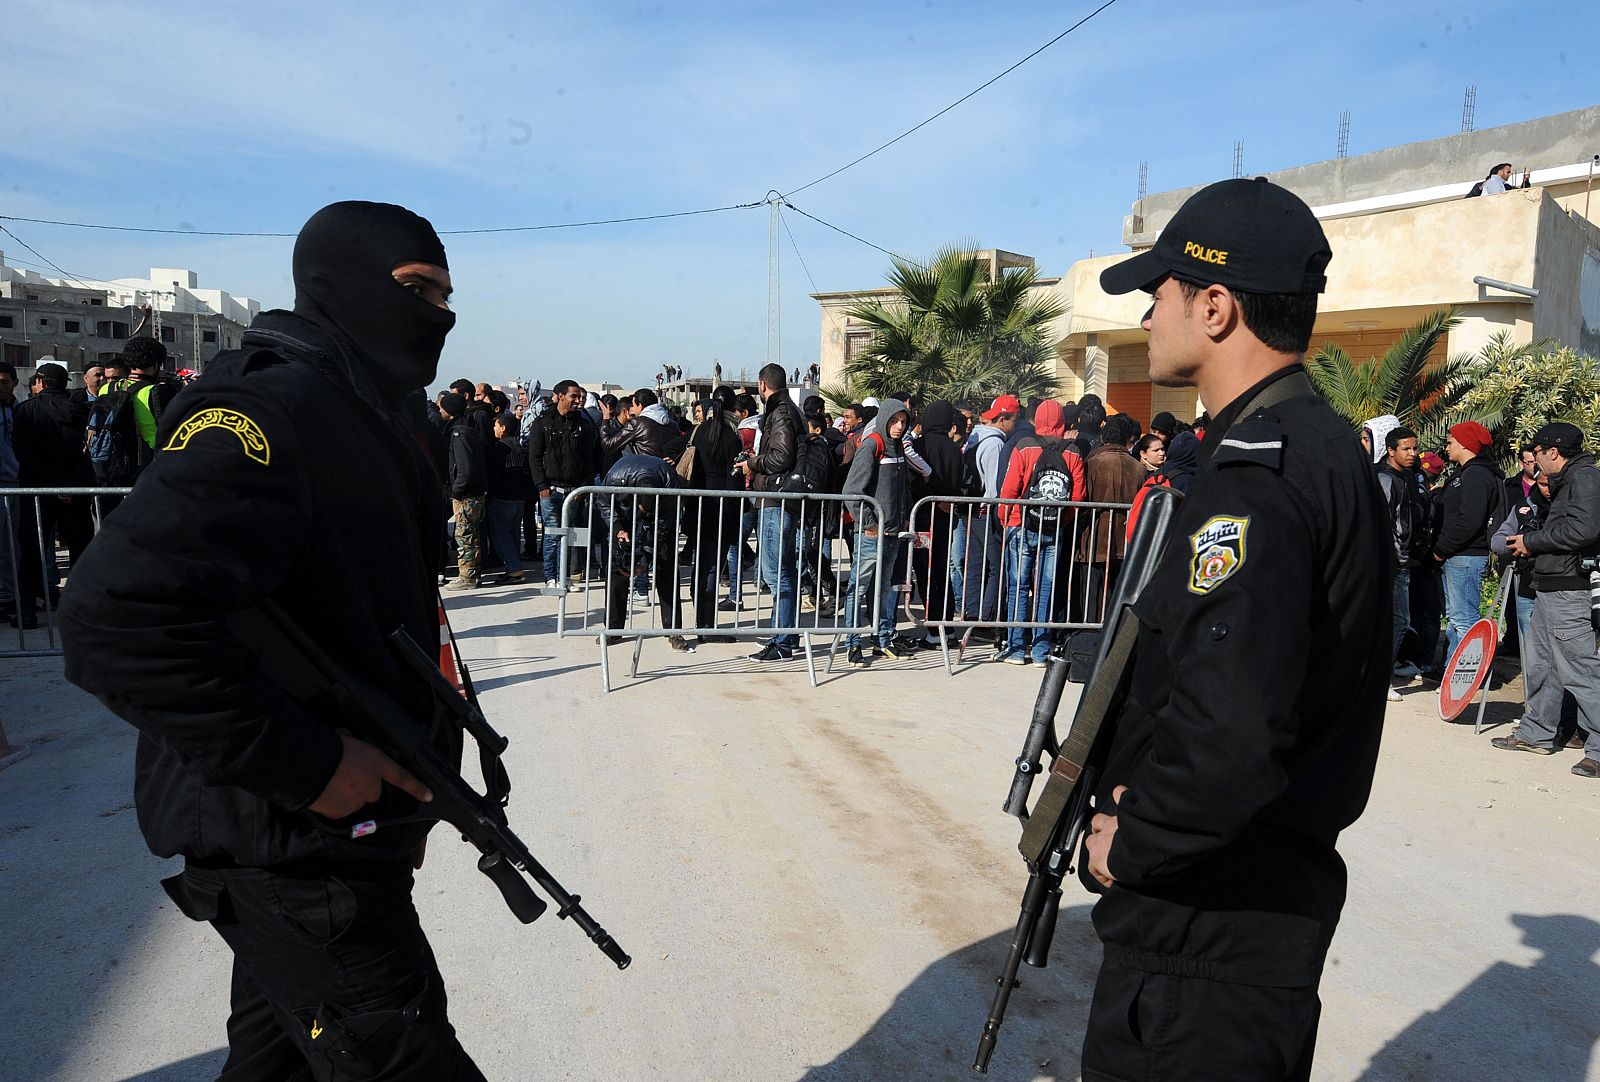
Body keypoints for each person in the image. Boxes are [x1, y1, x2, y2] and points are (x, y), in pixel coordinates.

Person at [58, 200, 487, 1080]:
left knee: (277, 1064)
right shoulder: (269, 412)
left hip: (332, 841)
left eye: (445, 293)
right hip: (286, 840)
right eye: (416, 288)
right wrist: (315, 768)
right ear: (341, 283)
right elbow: (114, 616)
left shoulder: (364, 411)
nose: (438, 313)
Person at [1083, 177, 1389, 1081]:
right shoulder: (1319, 450)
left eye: (1159, 292)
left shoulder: (1256, 481)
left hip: (1207, 939)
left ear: (1215, 306)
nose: (1146, 316)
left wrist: (1130, 845)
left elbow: (1228, 732)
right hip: (1253, 912)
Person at [1495, 422, 1600, 778]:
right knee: (1543, 667)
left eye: (1537, 454)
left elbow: (1584, 530)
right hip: (1551, 586)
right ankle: (1536, 733)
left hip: (1570, 590)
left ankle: (1598, 750)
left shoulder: (1584, 478)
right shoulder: (1569, 480)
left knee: (1580, 671)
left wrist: (1533, 542)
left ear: (1552, 452)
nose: (1535, 462)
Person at [996, 400, 1082, 665]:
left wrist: (1005, 518)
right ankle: (1041, 651)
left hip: (1021, 523)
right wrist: (1062, 521)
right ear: (1062, 421)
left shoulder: (1024, 446)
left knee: (1018, 587)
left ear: (1036, 419)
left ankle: (1016, 648)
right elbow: (1078, 497)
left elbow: (1010, 489)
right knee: (1046, 588)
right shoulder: (1073, 452)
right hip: (1054, 528)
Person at [12, 361, 93, 628]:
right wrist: (68, 486)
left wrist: (52, 485)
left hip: (38, 490)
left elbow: (22, 453)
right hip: (74, 490)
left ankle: (26, 611)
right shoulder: (81, 410)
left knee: (33, 550)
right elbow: (87, 453)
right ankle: (82, 610)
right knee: (79, 550)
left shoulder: (25, 411)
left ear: (41, 382)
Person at [840, 399, 912, 667]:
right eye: (894, 421)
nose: (899, 426)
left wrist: (903, 520)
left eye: (903, 422)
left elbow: (901, 488)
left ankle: (882, 640)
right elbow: (851, 491)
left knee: (884, 589)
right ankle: (852, 643)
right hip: (871, 534)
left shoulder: (899, 447)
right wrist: (868, 523)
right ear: (884, 420)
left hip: (893, 533)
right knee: (858, 589)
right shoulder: (872, 445)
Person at [740, 363, 804, 662]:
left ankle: (783, 642)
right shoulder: (789, 410)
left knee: (777, 573)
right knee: (784, 571)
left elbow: (780, 457)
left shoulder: (780, 412)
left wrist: (752, 463)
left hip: (776, 500)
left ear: (762, 385)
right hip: (781, 500)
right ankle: (786, 634)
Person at [599, 452, 689, 650]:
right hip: (623, 517)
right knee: (618, 568)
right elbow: (604, 503)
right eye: (643, 511)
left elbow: (666, 524)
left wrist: (646, 556)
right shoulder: (615, 478)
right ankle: (613, 629)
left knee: (666, 571)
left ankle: (674, 630)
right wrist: (618, 529)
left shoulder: (669, 484)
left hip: (663, 519)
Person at [1432, 420, 1502, 671]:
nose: (1446, 447)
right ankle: (1451, 668)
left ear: (1464, 444)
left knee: (1464, 618)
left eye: (1450, 442)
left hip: (1464, 555)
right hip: (1459, 555)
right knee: (1456, 617)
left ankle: (1465, 672)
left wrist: (1442, 548)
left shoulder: (1476, 475)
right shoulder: (1469, 473)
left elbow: (1470, 519)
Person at [683, 384, 744, 636]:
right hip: (722, 508)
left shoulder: (698, 432)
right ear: (732, 408)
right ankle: (706, 624)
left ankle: (701, 615)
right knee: (712, 566)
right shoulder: (732, 436)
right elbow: (735, 478)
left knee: (702, 562)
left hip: (698, 505)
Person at [527, 378, 599, 590]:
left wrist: (583, 487)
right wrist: (542, 486)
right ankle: (551, 578)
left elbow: (589, 459)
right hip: (550, 489)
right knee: (552, 535)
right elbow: (534, 456)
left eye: (580, 397)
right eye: (573, 396)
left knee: (569, 536)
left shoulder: (584, 424)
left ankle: (564, 576)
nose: (578, 400)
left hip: (574, 490)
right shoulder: (543, 422)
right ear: (560, 396)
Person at [1376, 426, 1426, 701]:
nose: (1412, 453)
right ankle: (1380, 679)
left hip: (1402, 559)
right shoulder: (1386, 479)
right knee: (1398, 621)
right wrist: (1399, 558)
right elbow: (1387, 524)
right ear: (1391, 450)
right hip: (1393, 562)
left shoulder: (1405, 477)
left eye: (1415, 448)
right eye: (1406, 449)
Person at [438, 391, 488, 591]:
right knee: (471, 536)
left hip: (467, 495)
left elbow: (465, 468)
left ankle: (467, 576)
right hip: (473, 493)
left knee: (465, 536)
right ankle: (472, 574)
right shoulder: (467, 429)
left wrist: (456, 491)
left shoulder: (460, 433)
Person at [485, 411, 531, 585]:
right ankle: (514, 566)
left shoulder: (499, 448)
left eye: (495, 425)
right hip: (519, 497)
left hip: (503, 497)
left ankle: (514, 569)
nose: (493, 428)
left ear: (503, 428)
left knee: (501, 535)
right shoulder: (519, 447)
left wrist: (490, 493)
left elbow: (495, 475)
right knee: (512, 534)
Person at [602, 387, 676, 460]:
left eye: (633, 406)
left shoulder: (637, 423)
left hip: (644, 468)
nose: (633, 410)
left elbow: (608, 445)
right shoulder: (673, 424)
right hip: (667, 470)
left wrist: (605, 420)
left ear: (640, 406)